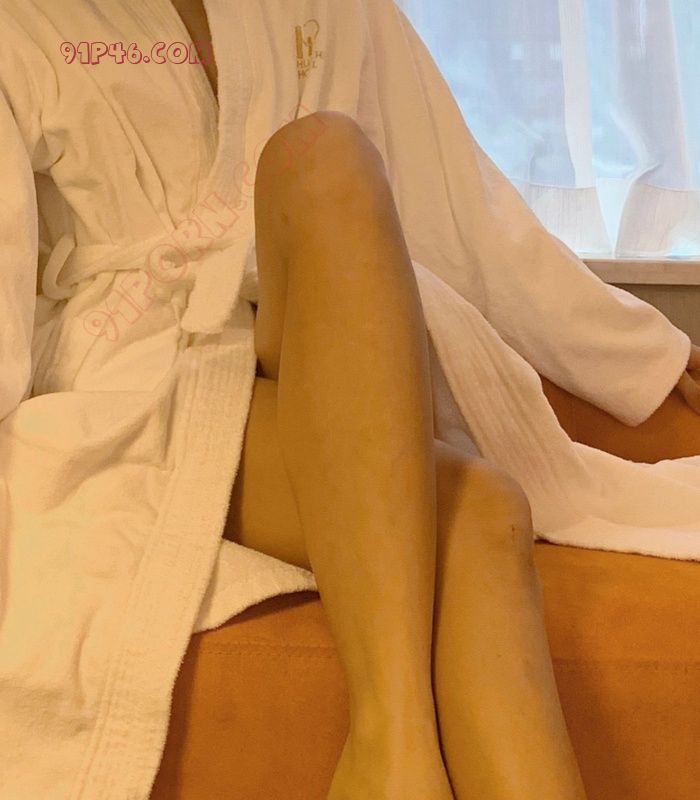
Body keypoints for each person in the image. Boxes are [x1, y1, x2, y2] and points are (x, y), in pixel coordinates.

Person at [2, 1, 700, 798]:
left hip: (328, 332)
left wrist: (645, 355)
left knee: (326, 155)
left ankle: (387, 758)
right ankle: (395, 749)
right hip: (139, 375)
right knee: (479, 512)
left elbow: (465, 214)